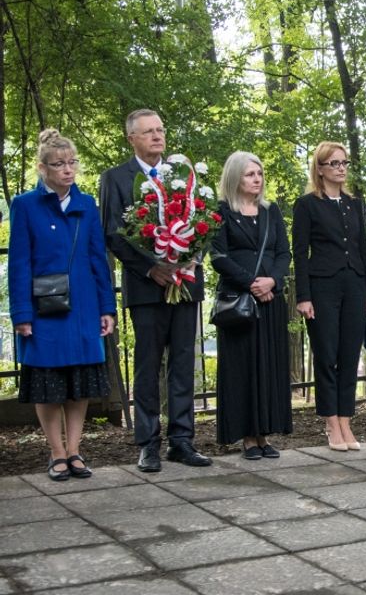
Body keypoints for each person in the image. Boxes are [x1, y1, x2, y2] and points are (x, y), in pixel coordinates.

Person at [99, 109, 211, 471]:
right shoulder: (116, 179)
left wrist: (191, 258)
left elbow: (206, 221)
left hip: (186, 283)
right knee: (148, 365)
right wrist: (151, 268)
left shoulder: (184, 175)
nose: (157, 136)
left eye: (161, 129)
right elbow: (114, 234)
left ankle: (182, 440)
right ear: (131, 137)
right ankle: (148, 443)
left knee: (182, 364)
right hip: (147, 287)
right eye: (148, 131)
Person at [8, 129, 117, 481]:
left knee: (80, 382)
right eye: (59, 164)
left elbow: (98, 260)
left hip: (84, 306)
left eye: (72, 163)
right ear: (43, 168)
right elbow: (19, 262)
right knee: (48, 383)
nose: (68, 170)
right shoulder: (25, 205)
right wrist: (21, 314)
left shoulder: (86, 204)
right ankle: (56, 452)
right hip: (44, 308)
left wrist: (107, 308)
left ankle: (75, 450)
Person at [293, 142, 366, 451]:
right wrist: (303, 297)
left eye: (344, 162)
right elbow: (300, 253)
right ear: (320, 169)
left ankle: (346, 419)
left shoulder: (354, 203)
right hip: (322, 287)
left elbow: (363, 248)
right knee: (327, 356)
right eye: (334, 163)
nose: (341, 168)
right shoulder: (306, 205)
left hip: (354, 285)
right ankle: (331, 422)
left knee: (349, 355)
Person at [210, 152, 292, 458]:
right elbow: (218, 256)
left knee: (268, 366)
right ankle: (246, 436)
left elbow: (284, 253)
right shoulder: (221, 212)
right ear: (235, 177)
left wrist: (272, 281)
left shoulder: (272, 212)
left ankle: (264, 434)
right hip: (240, 302)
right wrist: (251, 283)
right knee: (242, 367)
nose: (256, 179)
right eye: (249, 174)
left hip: (271, 299)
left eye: (259, 173)